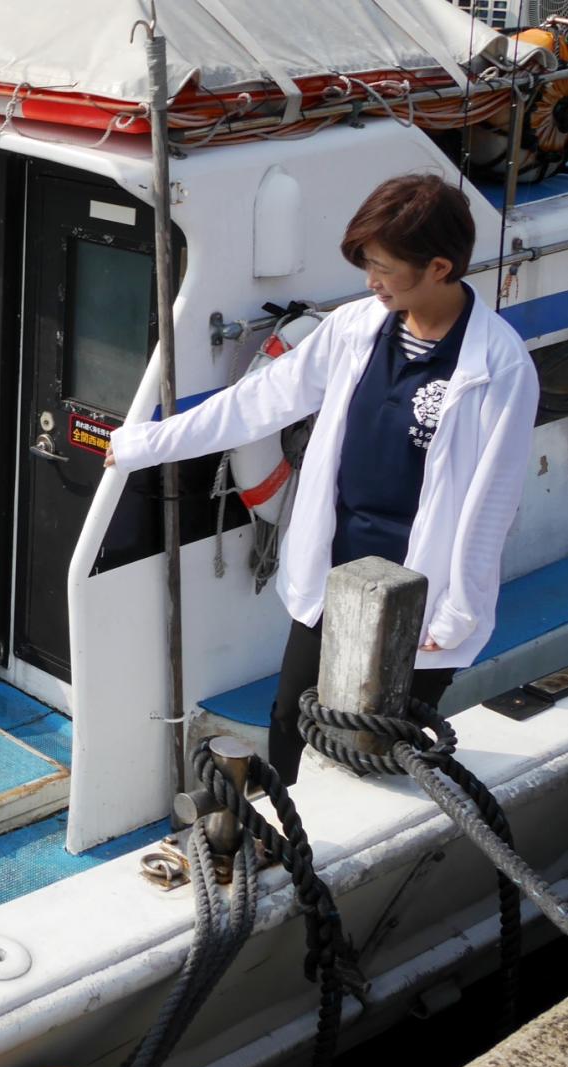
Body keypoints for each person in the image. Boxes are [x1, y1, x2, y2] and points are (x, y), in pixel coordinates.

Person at [107, 174, 538, 784]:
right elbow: (255, 403)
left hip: (422, 590)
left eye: (384, 268)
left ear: (440, 267)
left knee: (388, 737)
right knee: (293, 715)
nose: (371, 281)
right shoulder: (354, 328)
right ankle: (292, 840)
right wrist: (145, 444)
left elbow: (493, 501)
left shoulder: (498, 365)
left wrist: (458, 613)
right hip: (337, 571)